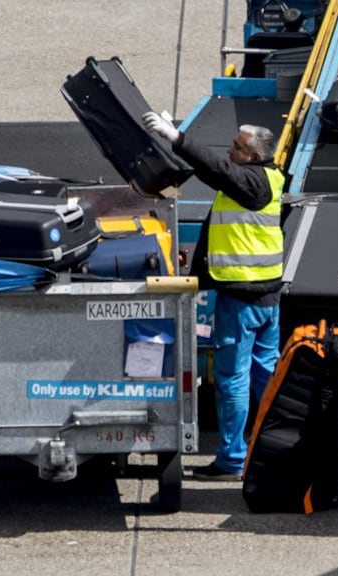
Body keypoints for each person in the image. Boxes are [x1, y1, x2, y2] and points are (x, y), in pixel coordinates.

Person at [144, 110, 285, 481]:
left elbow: (217, 169)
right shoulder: (266, 177)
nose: (230, 150)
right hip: (267, 295)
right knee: (266, 375)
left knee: (232, 379)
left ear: (254, 156)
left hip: (242, 298)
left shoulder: (251, 183)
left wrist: (177, 138)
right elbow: (216, 168)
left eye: (237, 147)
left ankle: (232, 459)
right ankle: (280, 445)